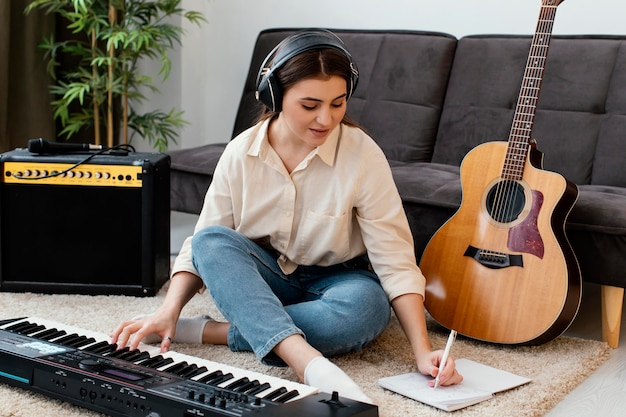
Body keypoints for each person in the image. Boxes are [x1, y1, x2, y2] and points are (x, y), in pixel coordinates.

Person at [110, 29, 462, 403]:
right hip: (268, 272)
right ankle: (305, 358)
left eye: (338, 104)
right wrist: (168, 310)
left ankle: (214, 330)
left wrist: (423, 351)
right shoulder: (240, 153)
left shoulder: (363, 156)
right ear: (275, 97)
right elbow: (202, 246)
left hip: (339, 280)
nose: (326, 119)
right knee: (210, 241)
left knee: (367, 311)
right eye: (310, 106)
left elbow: (394, 259)